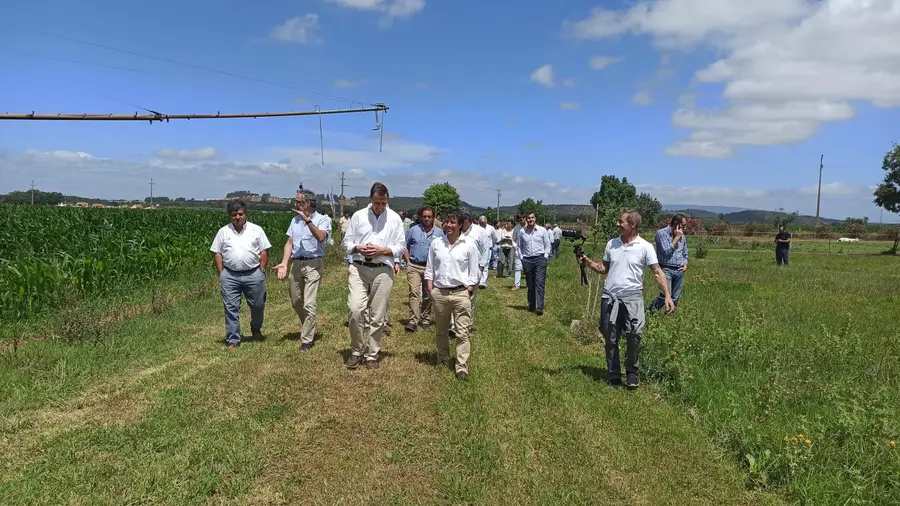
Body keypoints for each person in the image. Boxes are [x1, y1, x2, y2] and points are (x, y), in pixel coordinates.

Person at [578, 210, 675, 388]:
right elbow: (603, 268)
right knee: (610, 337)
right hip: (610, 296)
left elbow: (657, 271)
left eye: (621, 222)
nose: (617, 224)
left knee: (634, 335)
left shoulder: (645, 247)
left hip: (632, 298)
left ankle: (632, 373)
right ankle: (614, 375)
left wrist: (667, 295)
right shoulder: (611, 244)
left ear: (633, 225)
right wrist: (587, 262)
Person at [342, 182, 405, 369]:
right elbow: (346, 242)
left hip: (382, 269)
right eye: (377, 203)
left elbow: (401, 246)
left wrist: (384, 250)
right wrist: (357, 248)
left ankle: (372, 354)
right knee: (355, 309)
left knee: (377, 315)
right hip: (359, 267)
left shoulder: (394, 219)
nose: (380, 207)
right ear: (371, 199)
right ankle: (356, 350)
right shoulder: (358, 216)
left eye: (383, 203)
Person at [209, 199, 272, 350]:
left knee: (258, 305)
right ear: (230, 216)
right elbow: (217, 253)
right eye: (234, 215)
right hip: (230, 275)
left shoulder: (256, 230)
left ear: (245, 214)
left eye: (240, 214)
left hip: (253, 273)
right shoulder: (223, 232)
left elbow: (264, 251)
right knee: (231, 308)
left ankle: (256, 329)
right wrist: (221, 272)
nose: (237, 217)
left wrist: (261, 270)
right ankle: (233, 339)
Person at [425, 209, 479, 381]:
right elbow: (429, 268)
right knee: (441, 330)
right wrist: (431, 289)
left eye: (453, 222)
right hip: (440, 293)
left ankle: (462, 366)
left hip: (460, 293)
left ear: (460, 224)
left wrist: (468, 289)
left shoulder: (469, 245)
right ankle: (442, 358)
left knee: (462, 332)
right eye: (447, 222)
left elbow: (474, 272)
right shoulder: (436, 244)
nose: (448, 225)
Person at [274, 189, 331, 352]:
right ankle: (308, 324)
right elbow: (289, 242)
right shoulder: (294, 221)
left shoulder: (322, 219)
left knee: (309, 303)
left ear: (308, 203)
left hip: (314, 264)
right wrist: (284, 263)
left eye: (299, 201)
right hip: (296, 264)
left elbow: (321, 236)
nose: (296, 204)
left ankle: (306, 340)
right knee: (296, 301)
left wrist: (308, 221)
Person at [403, 206, 444, 332]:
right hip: (414, 265)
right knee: (414, 292)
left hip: (430, 267)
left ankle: (425, 317)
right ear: (421, 217)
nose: (427, 219)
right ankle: (413, 320)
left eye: (429, 216)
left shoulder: (439, 233)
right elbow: (405, 246)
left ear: (433, 217)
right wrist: (408, 261)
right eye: (424, 216)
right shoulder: (413, 230)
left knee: (428, 294)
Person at [650, 213, 688, 312]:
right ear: (676, 224)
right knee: (665, 295)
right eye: (683, 226)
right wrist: (676, 238)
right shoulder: (661, 233)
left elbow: (685, 252)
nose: (685, 228)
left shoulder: (682, 236)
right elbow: (666, 251)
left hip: (679, 269)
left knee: (675, 297)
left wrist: (685, 263)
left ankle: (670, 317)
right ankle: (650, 312)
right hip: (666, 268)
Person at [460, 213, 492, 329]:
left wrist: (481, 268)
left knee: (470, 298)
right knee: (457, 298)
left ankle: (468, 324)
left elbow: (485, 250)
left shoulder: (480, 231)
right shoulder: (456, 230)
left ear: (468, 220)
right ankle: (453, 325)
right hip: (459, 269)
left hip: (474, 269)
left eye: (463, 221)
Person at [516, 212, 551, 315]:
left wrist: (545, 256)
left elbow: (547, 244)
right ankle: (531, 305)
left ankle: (539, 307)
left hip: (540, 259)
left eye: (532, 218)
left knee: (540, 283)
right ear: (526, 220)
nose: (530, 220)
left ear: (535, 219)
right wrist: (522, 258)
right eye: (528, 218)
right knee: (530, 284)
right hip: (527, 260)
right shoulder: (522, 232)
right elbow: (519, 246)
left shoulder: (542, 230)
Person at [511, 215, 525, 290]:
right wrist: (515, 246)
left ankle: (530, 284)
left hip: (528, 251)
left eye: (522, 219)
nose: (521, 221)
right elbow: (513, 239)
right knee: (517, 268)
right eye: (520, 220)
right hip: (518, 250)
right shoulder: (516, 227)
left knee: (528, 268)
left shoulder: (529, 226)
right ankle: (516, 285)